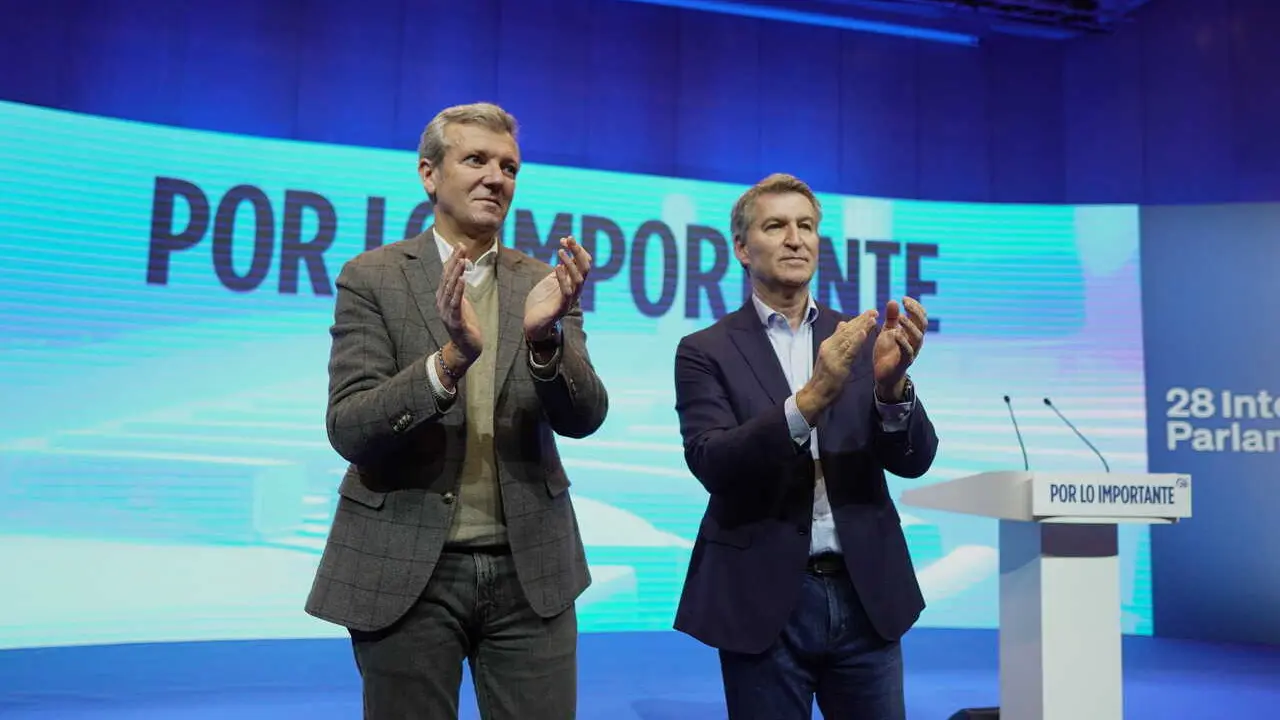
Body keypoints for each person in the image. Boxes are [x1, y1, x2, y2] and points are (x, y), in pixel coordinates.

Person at [305, 101, 609, 720]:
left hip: (531, 570)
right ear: (429, 174)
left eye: (509, 166)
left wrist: (547, 341)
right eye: (475, 160)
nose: (496, 177)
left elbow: (585, 416)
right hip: (405, 566)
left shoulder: (542, 285)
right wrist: (449, 361)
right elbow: (351, 426)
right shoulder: (372, 277)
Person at [671, 173, 938, 719]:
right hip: (764, 597)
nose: (796, 238)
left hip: (866, 591)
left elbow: (915, 460)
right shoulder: (704, 350)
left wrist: (891, 390)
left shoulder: (862, 336)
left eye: (807, 226)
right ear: (743, 249)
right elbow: (713, 462)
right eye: (776, 226)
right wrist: (812, 398)